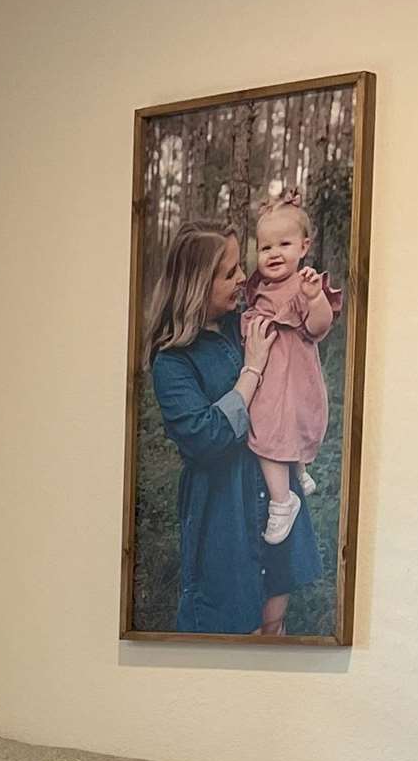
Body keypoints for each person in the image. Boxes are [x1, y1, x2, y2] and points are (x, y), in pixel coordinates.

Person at [143, 221, 287, 632]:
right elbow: (206, 435)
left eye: (240, 266)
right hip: (220, 508)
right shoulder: (173, 362)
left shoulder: (239, 326)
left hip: (263, 493)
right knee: (227, 622)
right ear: (196, 285)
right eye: (228, 273)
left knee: (274, 623)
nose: (242, 278)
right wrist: (253, 370)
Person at [237, 197, 343, 548]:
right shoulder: (261, 288)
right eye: (266, 247)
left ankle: (283, 501)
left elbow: (319, 325)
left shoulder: (304, 284)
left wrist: (314, 298)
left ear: (304, 246)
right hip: (272, 380)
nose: (274, 253)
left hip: (294, 381)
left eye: (284, 244)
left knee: (269, 434)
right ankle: (297, 471)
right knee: (274, 428)